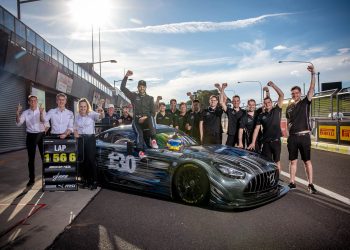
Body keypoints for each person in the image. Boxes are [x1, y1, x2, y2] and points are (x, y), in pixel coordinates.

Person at [286, 64, 317, 193]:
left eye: (297, 93)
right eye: (293, 93)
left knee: (307, 161)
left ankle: (310, 184)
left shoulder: (305, 102)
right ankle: (292, 182)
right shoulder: (289, 107)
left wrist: (313, 74)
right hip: (292, 138)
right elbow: (288, 122)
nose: (295, 95)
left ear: (300, 93)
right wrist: (288, 135)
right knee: (293, 161)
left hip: (304, 137)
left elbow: (311, 88)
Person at [247, 81, 284, 173]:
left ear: (271, 102)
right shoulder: (261, 116)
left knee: (277, 161)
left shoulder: (277, 110)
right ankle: (268, 179)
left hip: (276, 141)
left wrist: (273, 85)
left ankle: (277, 178)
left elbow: (281, 95)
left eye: (269, 102)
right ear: (264, 104)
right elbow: (256, 129)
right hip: (266, 142)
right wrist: (252, 142)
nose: (267, 104)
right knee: (266, 162)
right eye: (265, 103)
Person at [120, 70, 158, 152]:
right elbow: (122, 88)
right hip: (136, 121)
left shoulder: (150, 98)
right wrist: (126, 76)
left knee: (151, 117)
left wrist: (144, 117)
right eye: (140, 86)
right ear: (138, 87)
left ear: (145, 88)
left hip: (147, 121)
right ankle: (140, 152)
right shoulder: (133, 96)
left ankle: (153, 140)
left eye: (143, 86)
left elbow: (153, 113)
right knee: (139, 134)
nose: (142, 88)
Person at [16, 95, 50, 187]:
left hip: (41, 135)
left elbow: (47, 124)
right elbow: (19, 124)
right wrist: (17, 113)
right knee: (31, 159)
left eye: (34, 101)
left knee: (44, 158)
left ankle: (47, 177)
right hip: (30, 136)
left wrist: (44, 131)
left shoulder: (42, 111)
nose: (33, 102)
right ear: (28, 102)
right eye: (31, 101)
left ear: (37, 101)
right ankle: (31, 179)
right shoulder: (26, 112)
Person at [74, 98, 102, 190]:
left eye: (84, 106)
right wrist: (75, 133)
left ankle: (94, 181)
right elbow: (74, 127)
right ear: (79, 107)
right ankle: (86, 181)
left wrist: (101, 110)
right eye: (81, 106)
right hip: (81, 139)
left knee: (91, 160)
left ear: (87, 107)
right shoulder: (77, 116)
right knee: (83, 160)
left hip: (90, 139)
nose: (83, 108)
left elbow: (100, 117)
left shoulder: (92, 114)